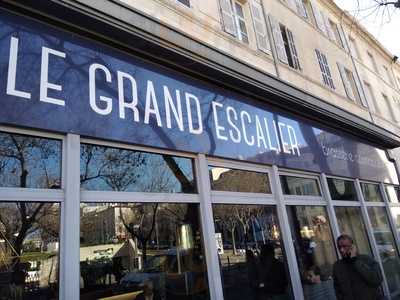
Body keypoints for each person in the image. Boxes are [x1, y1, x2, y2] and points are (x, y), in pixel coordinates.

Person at [333, 234, 383, 300]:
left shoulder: (366, 259)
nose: (341, 250)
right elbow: (337, 289)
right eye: (339, 247)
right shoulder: (337, 266)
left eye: (344, 246)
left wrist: (356, 262)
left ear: (352, 247)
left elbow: (377, 279)